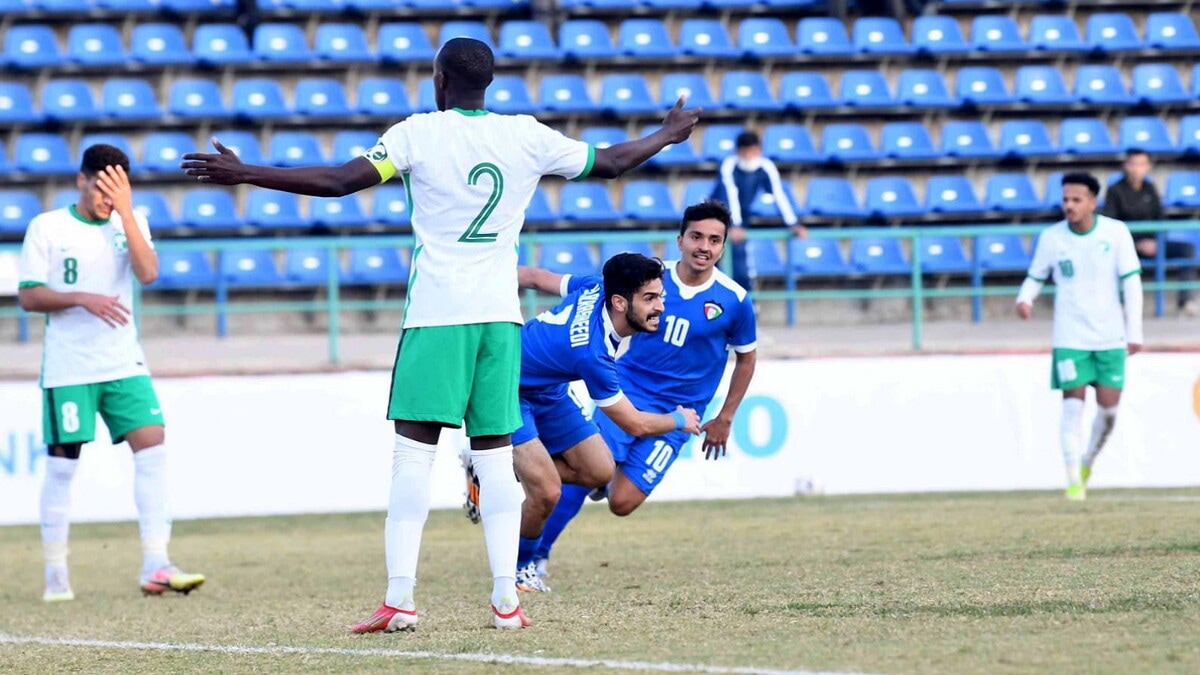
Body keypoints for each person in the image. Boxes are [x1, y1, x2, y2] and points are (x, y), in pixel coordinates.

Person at [180, 37, 701, 631]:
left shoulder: (417, 133)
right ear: (490, 83)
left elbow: (339, 181)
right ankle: (507, 600)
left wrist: (244, 172)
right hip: (502, 320)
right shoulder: (525, 134)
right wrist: (666, 134)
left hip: (437, 315)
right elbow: (609, 162)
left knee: (413, 454)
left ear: (439, 81)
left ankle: (400, 598)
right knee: (496, 456)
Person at [528, 201, 757, 581]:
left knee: (622, 502)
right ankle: (534, 560)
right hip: (627, 392)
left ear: (723, 246)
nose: (704, 246)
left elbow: (746, 360)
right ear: (680, 239)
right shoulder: (649, 280)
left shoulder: (734, 300)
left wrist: (725, 417)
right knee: (587, 474)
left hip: (681, 412)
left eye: (715, 240)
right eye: (697, 236)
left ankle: (579, 478)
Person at [17, 144, 205, 602]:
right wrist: (82, 297)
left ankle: (156, 563)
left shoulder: (130, 219)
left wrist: (124, 211)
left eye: (116, 189)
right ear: (81, 181)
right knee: (63, 466)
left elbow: (148, 274)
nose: (106, 197)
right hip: (69, 366)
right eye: (101, 188)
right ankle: (56, 574)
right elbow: (29, 296)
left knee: (153, 444)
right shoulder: (48, 227)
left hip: (123, 362)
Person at [477, 253, 701, 592]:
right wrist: (678, 419)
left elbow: (536, 277)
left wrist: (488, 274)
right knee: (547, 491)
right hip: (504, 389)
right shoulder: (591, 353)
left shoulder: (596, 287)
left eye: (661, 296)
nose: (660, 307)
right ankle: (520, 569)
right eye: (650, 299)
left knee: (599, 471)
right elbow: (635, 424)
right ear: (620, 302)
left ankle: (490, 466)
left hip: (547, 389)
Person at [1017, 173, 1144, 501]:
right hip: (1070, 335)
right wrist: (1025, 298)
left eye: (1076, 200)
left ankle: (1088, 461)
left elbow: (1132, 283)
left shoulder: (1116, 233)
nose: (1069, 206)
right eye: (1065, 200)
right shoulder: (1052, 237)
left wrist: (1135, 331)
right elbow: (1036, 275)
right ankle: (1073, 479)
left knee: (1109, 411)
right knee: (1072, 407)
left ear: (1092, 202)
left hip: (1110, 335)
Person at [1102, 149, 1197, 316]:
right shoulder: (1114, 190)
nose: (1136, 169)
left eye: (1141, 164)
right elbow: (1111, 224)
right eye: (1132, 164)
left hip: (1153, 243)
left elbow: (1160, 219)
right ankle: (1123, 305)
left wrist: (1155, 242)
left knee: (1187, 249)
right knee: (1116, 255)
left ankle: (1185, 302)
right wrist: (1138, 243)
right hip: (1128, 245)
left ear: (1147, 167)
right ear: (1126, 166)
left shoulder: (1150, 188)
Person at [709, 131, 804, 294]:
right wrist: (735, 225)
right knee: (710, 264)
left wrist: (793, 223)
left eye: (752, 151)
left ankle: (749, 305)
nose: (749, 156)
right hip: (714, 220)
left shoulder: (766, 167)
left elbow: (779, 194)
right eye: (744, 152)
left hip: (740, 221)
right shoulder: (729, 166)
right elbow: (730, 195)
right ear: (737, 152)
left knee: (741, 266)